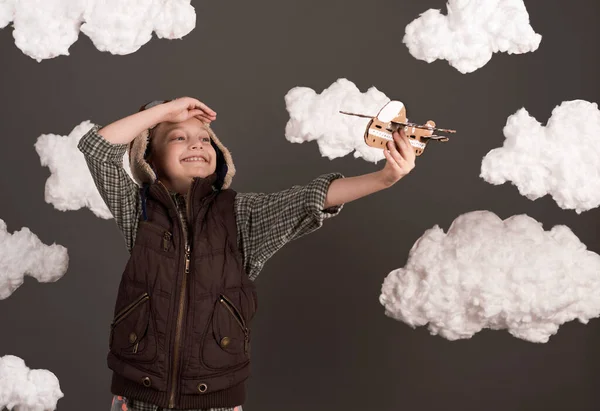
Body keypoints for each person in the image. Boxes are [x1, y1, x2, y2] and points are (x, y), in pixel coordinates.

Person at [78, 97, 416, 411]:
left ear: (219, 155)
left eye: (205, 138)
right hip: (139, 395)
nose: (197, 143)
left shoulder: (241, 214)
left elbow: (311, 198)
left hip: (214, 399)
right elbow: (97, 149)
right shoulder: (138, 210)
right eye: (178, 137)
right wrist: (166, 111)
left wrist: (385, 178)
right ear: (149, 158)